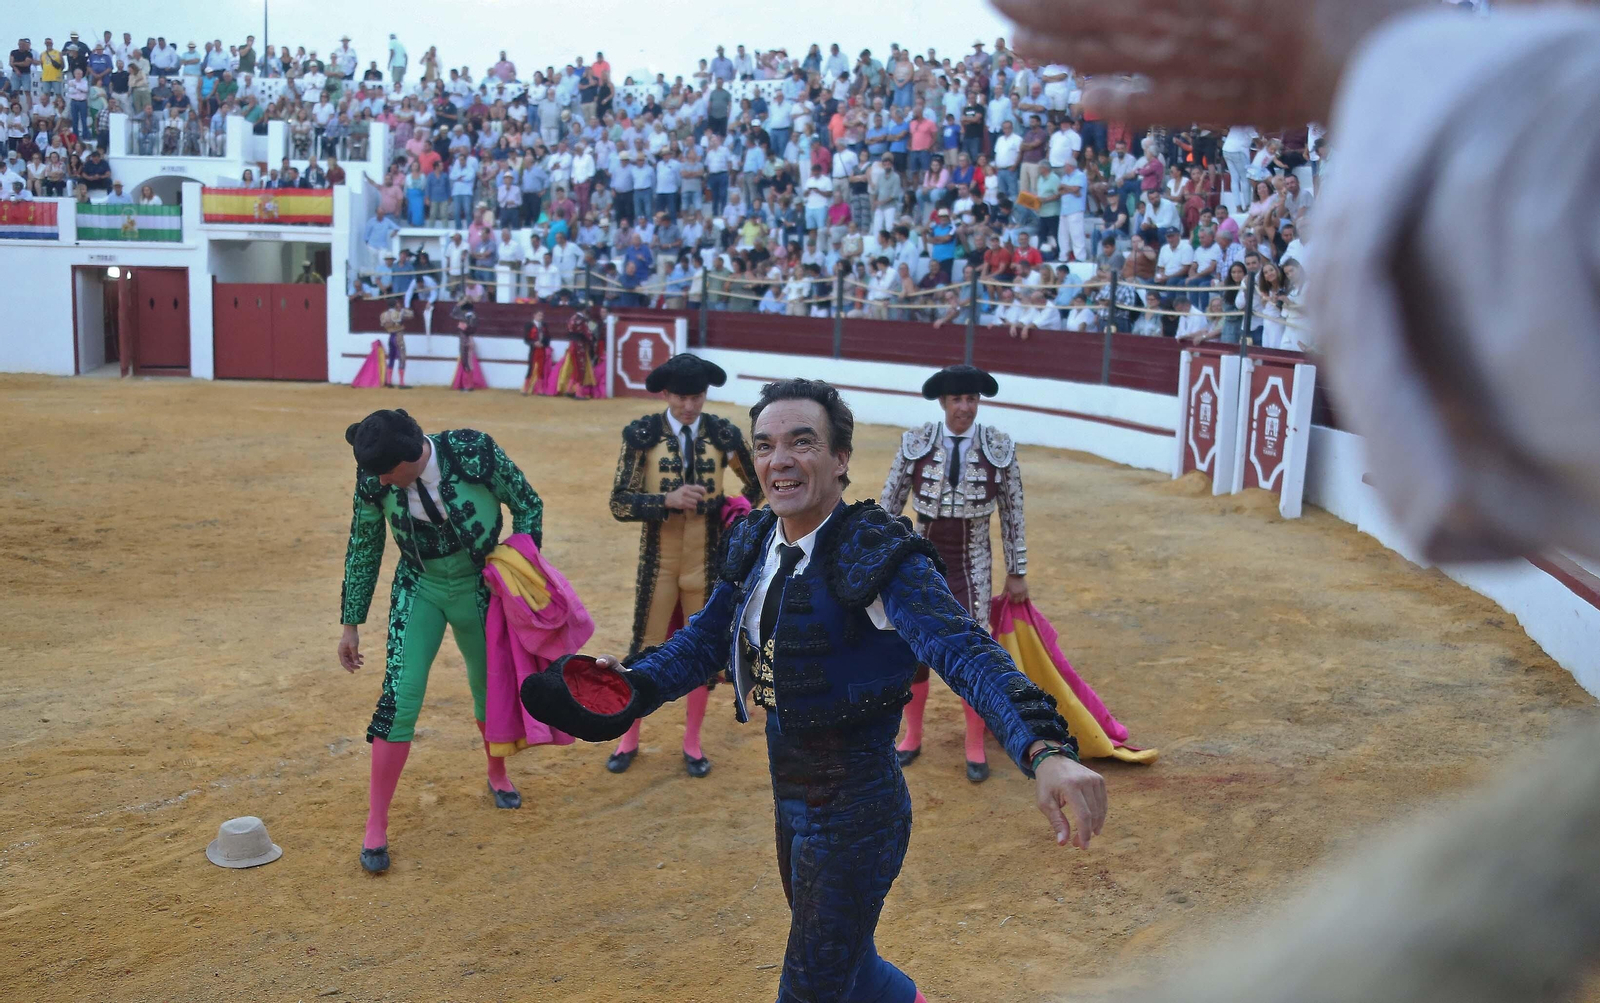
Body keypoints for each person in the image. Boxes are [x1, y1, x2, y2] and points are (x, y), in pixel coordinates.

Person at [519, 378, 1105, 1003]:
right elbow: (709, 638)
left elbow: (965, 651)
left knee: (809, 991)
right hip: (790, 795)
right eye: (766, 445)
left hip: (859, 812)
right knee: (852, 969)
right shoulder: (754, 541)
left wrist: (1042, 746)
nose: (780, 460)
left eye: (803, 442)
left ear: (841, 458)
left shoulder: (883, 555)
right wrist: (636, 685)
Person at [337, 409, 545, 874]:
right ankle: (376, 823)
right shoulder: (376, 476)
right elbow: (364, 542)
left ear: (409, 460)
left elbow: (528, 504)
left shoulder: (473, 451)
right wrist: (351, 622)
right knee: (400, 697)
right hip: (419, 588)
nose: (377, 481)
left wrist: (520, 566)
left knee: (488, 690)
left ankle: (496, 773)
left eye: (385, 473)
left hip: (479, 586)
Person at [604, 354, 762, 776]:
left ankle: (691, 742)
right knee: (644, 646)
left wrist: (737, 507)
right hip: (659, 560)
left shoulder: (723, 434)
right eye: (680, 396)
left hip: (708, 561)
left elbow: (757, 480)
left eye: (696, 396)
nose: (689, 405)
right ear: (666, 393)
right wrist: (664, 501)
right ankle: (629, 735)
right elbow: (620, 500)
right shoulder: (642, 434)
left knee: (702, 649)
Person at [879, 365, 1031, 780]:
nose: (965, 407)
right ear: (944, 403)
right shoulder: (915, 443)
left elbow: (1013, 514)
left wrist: (1017, 571)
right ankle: (912, 736)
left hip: (973, 560)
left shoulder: (998, 446)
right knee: (913, 648)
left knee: (975, 650)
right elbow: (889, 505)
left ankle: (975, 743)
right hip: (921, 559)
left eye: (972, 399)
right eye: (958, 399)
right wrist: (876, 558)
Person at [556, 303, 601, 398]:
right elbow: (587, 334)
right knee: (580, 368)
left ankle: (569, 390)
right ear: (584, 310)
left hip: (572, 344)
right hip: (579, 345)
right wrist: (593, 341)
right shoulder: (582, 320)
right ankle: (578, 393)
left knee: (575, 368)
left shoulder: (572, 318)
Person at [378, 297, 412, 389]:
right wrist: (401, 309)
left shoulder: (383, 315)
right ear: (396, 304)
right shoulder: (398, 313)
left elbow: (383, 324)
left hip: (391, 337)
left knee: (391, 358)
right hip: (398, 337)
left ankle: (389, 381)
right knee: (402, 357)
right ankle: (401, 383)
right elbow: (411, 315)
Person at [522, 308, 550, 396]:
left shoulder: (544, 325)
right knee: (531, 368)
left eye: (542, 316)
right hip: (533, 349)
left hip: (542, 349)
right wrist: (534, 343)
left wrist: (543, 344)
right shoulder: (529, 325)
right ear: (534, 315)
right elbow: (526, 339)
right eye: (539, 315)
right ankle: (525, 389)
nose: (541, 317)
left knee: (541, 369)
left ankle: (540, 390)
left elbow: (548, 338)